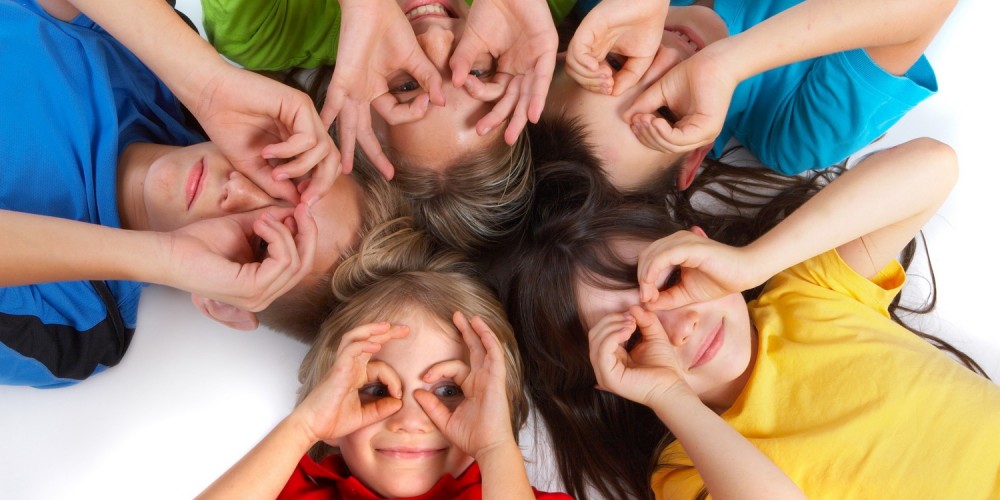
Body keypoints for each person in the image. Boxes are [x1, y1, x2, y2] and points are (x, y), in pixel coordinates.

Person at [493, 138, 998, 499]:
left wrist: (752, 262)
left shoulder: (806, 291)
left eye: (669, 281)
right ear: (611, 379)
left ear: (698, 246)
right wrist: (667, 395)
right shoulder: (689, 469)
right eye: (631, 336)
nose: (680, 324)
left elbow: (934, 166)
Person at [0, 0, 396, 387]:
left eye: (262, 243)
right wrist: (207, 85)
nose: (238, 189)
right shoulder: (159, 71)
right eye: (287, 174)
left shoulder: (76, 324)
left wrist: (164, 257)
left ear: (224, 305)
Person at [197, 217, 574, 499]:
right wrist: (305, 425)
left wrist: (495, 448)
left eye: (447, 392)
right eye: (376, 388)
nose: (410, 421)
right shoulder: (289, 489)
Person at [201, 0, 567, 253]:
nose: (436, 38)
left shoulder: (262, 30)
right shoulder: (531, 16)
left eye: (406, 85)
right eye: (475, 70)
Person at [542, 0, 951, 192]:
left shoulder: (608, 7)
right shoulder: (793, 131)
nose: (667, 57)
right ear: (694, 156)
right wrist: (728, 62)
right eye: (665, 112)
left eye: (617, 63)